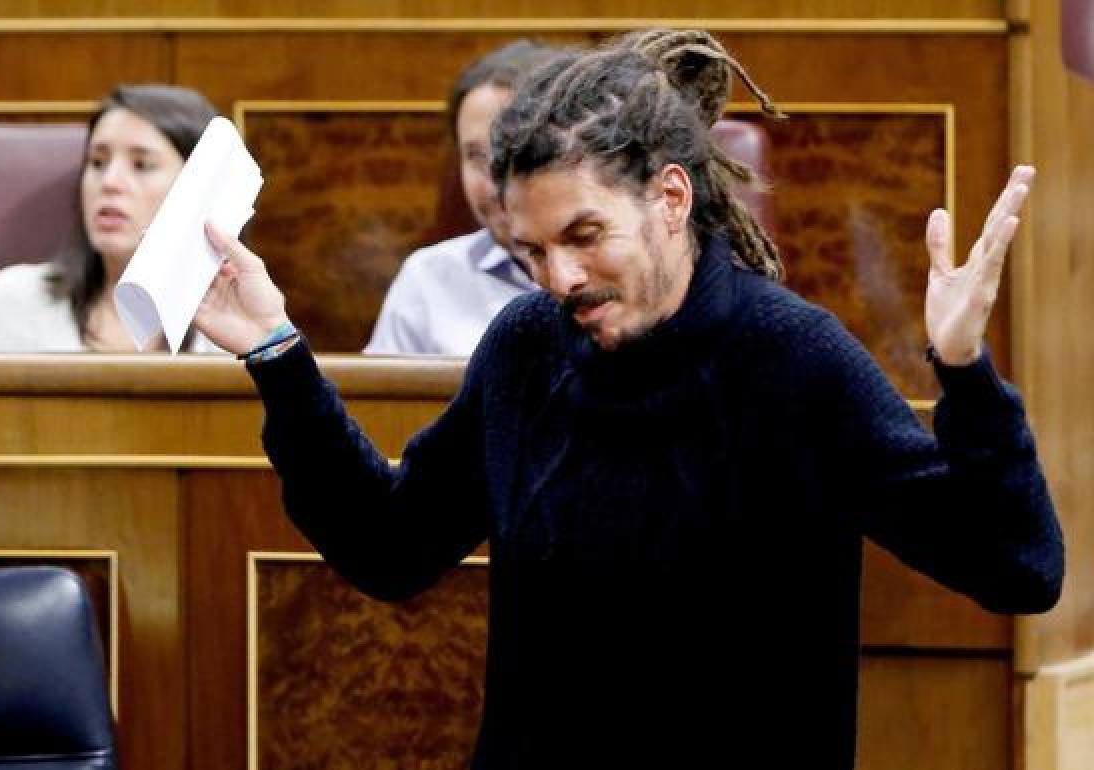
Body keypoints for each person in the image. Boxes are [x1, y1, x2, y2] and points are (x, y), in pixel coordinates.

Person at [194, 29, 1063, 768]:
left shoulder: (794, 360)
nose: (560, 278)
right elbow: (390, 548)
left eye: (584, 235)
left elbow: (1016, 568)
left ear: (671, 197)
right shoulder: (528, 346)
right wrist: (279, 354)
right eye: (532, 250)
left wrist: (963, 369)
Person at [0, 84, 223, 353]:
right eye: (97, 162)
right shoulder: (4, 305)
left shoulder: (234, 324)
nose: (110, 182)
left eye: (141, 165)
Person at [363, 40, 551, 355]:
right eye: (476, 156)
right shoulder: (428, 279)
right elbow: (384, 404)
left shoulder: (623, 271)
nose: (496, 185)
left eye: (517, 154)